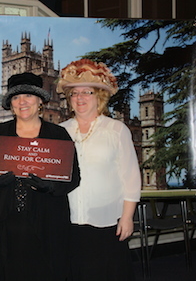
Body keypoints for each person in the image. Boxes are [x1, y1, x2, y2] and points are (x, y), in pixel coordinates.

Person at [0, 72, 81, 281]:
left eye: (28, 96)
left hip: (47, 223)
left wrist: (49, 186)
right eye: (15, 97)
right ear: (10, 104)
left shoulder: (58, 134)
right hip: (3, 224)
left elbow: (73, 177)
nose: (22, 102)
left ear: (40, 101)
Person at [56, 59, 141, 281]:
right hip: (69, 221)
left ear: (99, 97)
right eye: (74, 94)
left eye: (87, 92)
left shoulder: (116, 130)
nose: (80, 98)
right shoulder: (59, 132)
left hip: (107, 222)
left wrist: (127, 217)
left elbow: (131, 177)